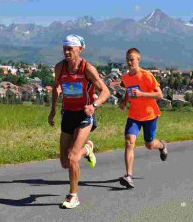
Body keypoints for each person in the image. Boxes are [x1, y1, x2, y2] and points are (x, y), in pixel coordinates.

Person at [48, 34, 110, 208]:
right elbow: (56, 87)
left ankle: (73, 196)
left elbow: (105, 91)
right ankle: (88, 148)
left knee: (73, 157)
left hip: (84, 114)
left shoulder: (87, 68)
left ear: (79, 49)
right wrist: (52, 109)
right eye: (64, 48)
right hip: (67, 114)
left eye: (70, 49)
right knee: (64, 163)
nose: (66, 52)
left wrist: (95, 105)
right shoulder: (60, 67)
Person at [119, 48, 168, 189]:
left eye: (132, 59)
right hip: (134, 115)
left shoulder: (147, 75)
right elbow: (129, 91)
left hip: (149, 115)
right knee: (129, 142)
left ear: (138, 60)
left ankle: (162, 145)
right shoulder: (126, 78)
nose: (129, 62)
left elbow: (159, 95)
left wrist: (141, 94)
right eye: (127, 59)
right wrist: (124, 101)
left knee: (149, 145)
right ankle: (128, 176)